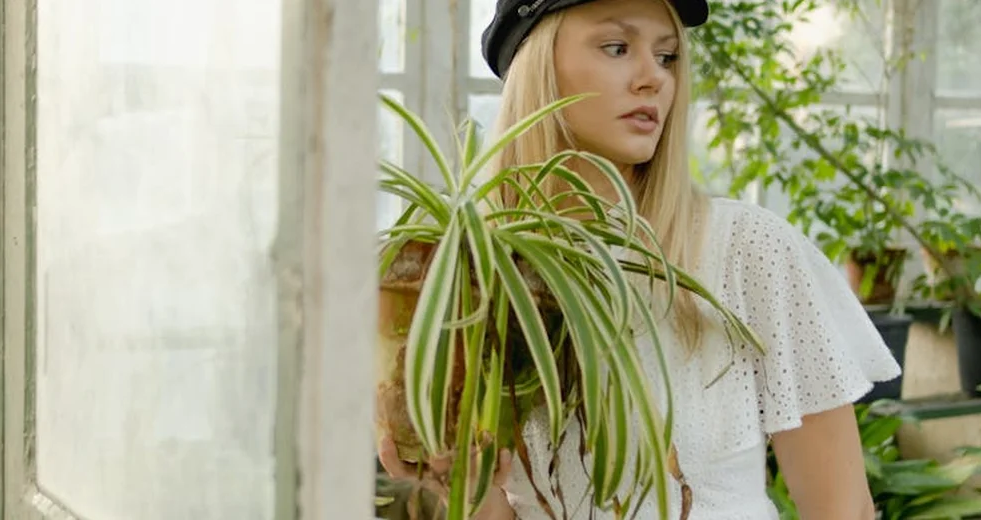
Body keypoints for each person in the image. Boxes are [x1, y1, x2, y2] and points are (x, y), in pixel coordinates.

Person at [378, 0, 902, 518]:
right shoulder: (474, 277)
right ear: (537, 65)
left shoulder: (747, 247)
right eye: (616, 47)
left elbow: (842, 509)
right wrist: (467, 493)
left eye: (668, 56)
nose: (654, 77)